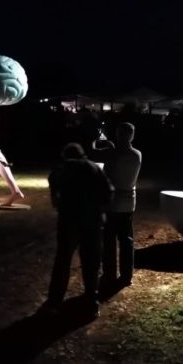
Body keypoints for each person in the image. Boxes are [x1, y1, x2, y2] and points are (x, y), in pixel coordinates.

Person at [40, 142, 113, 319]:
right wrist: (99, 209)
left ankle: (54, 303)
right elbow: (109, 192)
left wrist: (60, 203)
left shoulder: (61, 169)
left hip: (69, 221)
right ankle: (92, 304)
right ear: (82, 154)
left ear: (66, 156)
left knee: (63, 261)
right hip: (93, 222)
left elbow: (54, 196)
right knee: (91, 264)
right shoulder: (94, 168)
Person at [92, 122, 142, 288]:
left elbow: (92, 152)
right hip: (129, 203)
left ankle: (109, 275)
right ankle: (127, 276)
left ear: (118, 135)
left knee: (109, 241)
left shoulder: (111, 153)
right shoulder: (137, 154)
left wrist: (99, 140)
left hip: (112, 204)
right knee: (127, 240)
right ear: (132, 136)